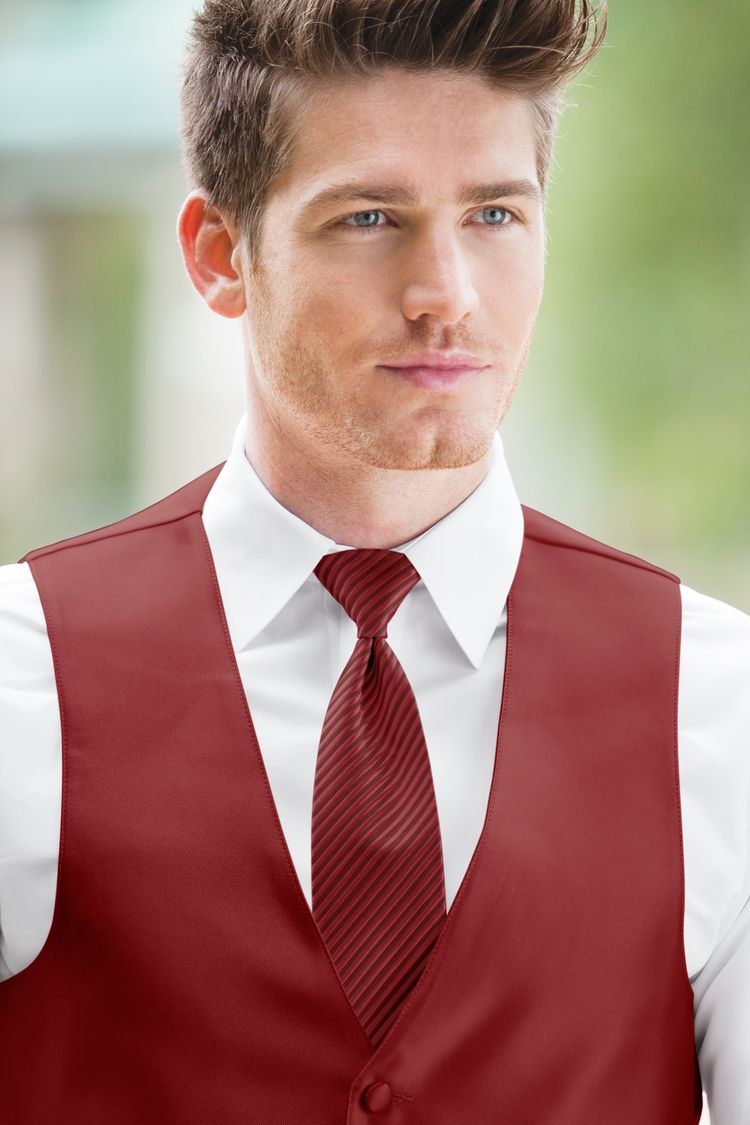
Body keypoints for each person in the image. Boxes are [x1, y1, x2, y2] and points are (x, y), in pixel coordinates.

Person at [0, 0, 747, 1120]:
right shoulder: (20, 685)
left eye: (495, 213)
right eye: (367, 218)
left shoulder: (720, 700)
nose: (447, 292)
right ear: (218, 255)